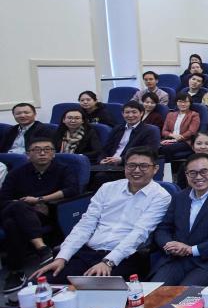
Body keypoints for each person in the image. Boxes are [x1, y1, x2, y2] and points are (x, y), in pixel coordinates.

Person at [33, 147, 170, 283]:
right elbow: (85, 225)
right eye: (131, 165)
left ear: (155, 169)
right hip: (89, 252)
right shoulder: (108, 188)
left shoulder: (160, 196)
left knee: (92, 287)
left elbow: (139, 233)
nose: (137, 170)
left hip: (124, 257)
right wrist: (62, 257)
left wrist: (109, 261)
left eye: (144, 166)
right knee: (41, 283)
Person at [149, 153, 208, 285]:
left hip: (206, 263)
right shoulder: (179, 197)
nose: (198, 177)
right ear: (186, 175)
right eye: (192, 173)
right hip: (175, 259)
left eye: (204, 172)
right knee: (156, 292)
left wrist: (192, 249)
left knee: (186, 294)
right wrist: (169, 244)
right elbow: (163, 228)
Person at [1, 137, 79, 290]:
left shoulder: (63, 169)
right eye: (36, 150)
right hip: (15, 210)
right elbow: (4, 197)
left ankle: (15, 271)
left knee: (12, 224)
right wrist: (26, 204)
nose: (42, 153)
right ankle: (41, 248)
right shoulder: (17, 173)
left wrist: (40, 199)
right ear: (28, 154)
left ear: (53, 154)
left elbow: (72, 190)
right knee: (19, 207)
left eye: (47, 150)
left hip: (43, 214)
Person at [95, 101, 161, 168]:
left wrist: (121, 160)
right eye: (127, 112)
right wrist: (101, 160)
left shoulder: (150, 130)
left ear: (141, 113)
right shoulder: (117, 128)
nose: (130, 115)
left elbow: (149, 152)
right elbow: (106, 149)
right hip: (109, 165)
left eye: (134, 112)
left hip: (131, 166)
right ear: (122, 114)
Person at [159, 93, 201, 160]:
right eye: (180, 102)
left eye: (186, 102)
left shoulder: (194, 115)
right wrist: (173, 136)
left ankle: (168, 166)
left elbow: (191, 131)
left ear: (190, 103)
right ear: (176, 103)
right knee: (154, 147)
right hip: (170, 139)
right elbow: (164, 131)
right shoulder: (170, 114)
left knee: (166, 149)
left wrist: (179, 138)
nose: (183, 104)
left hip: (185, 141)